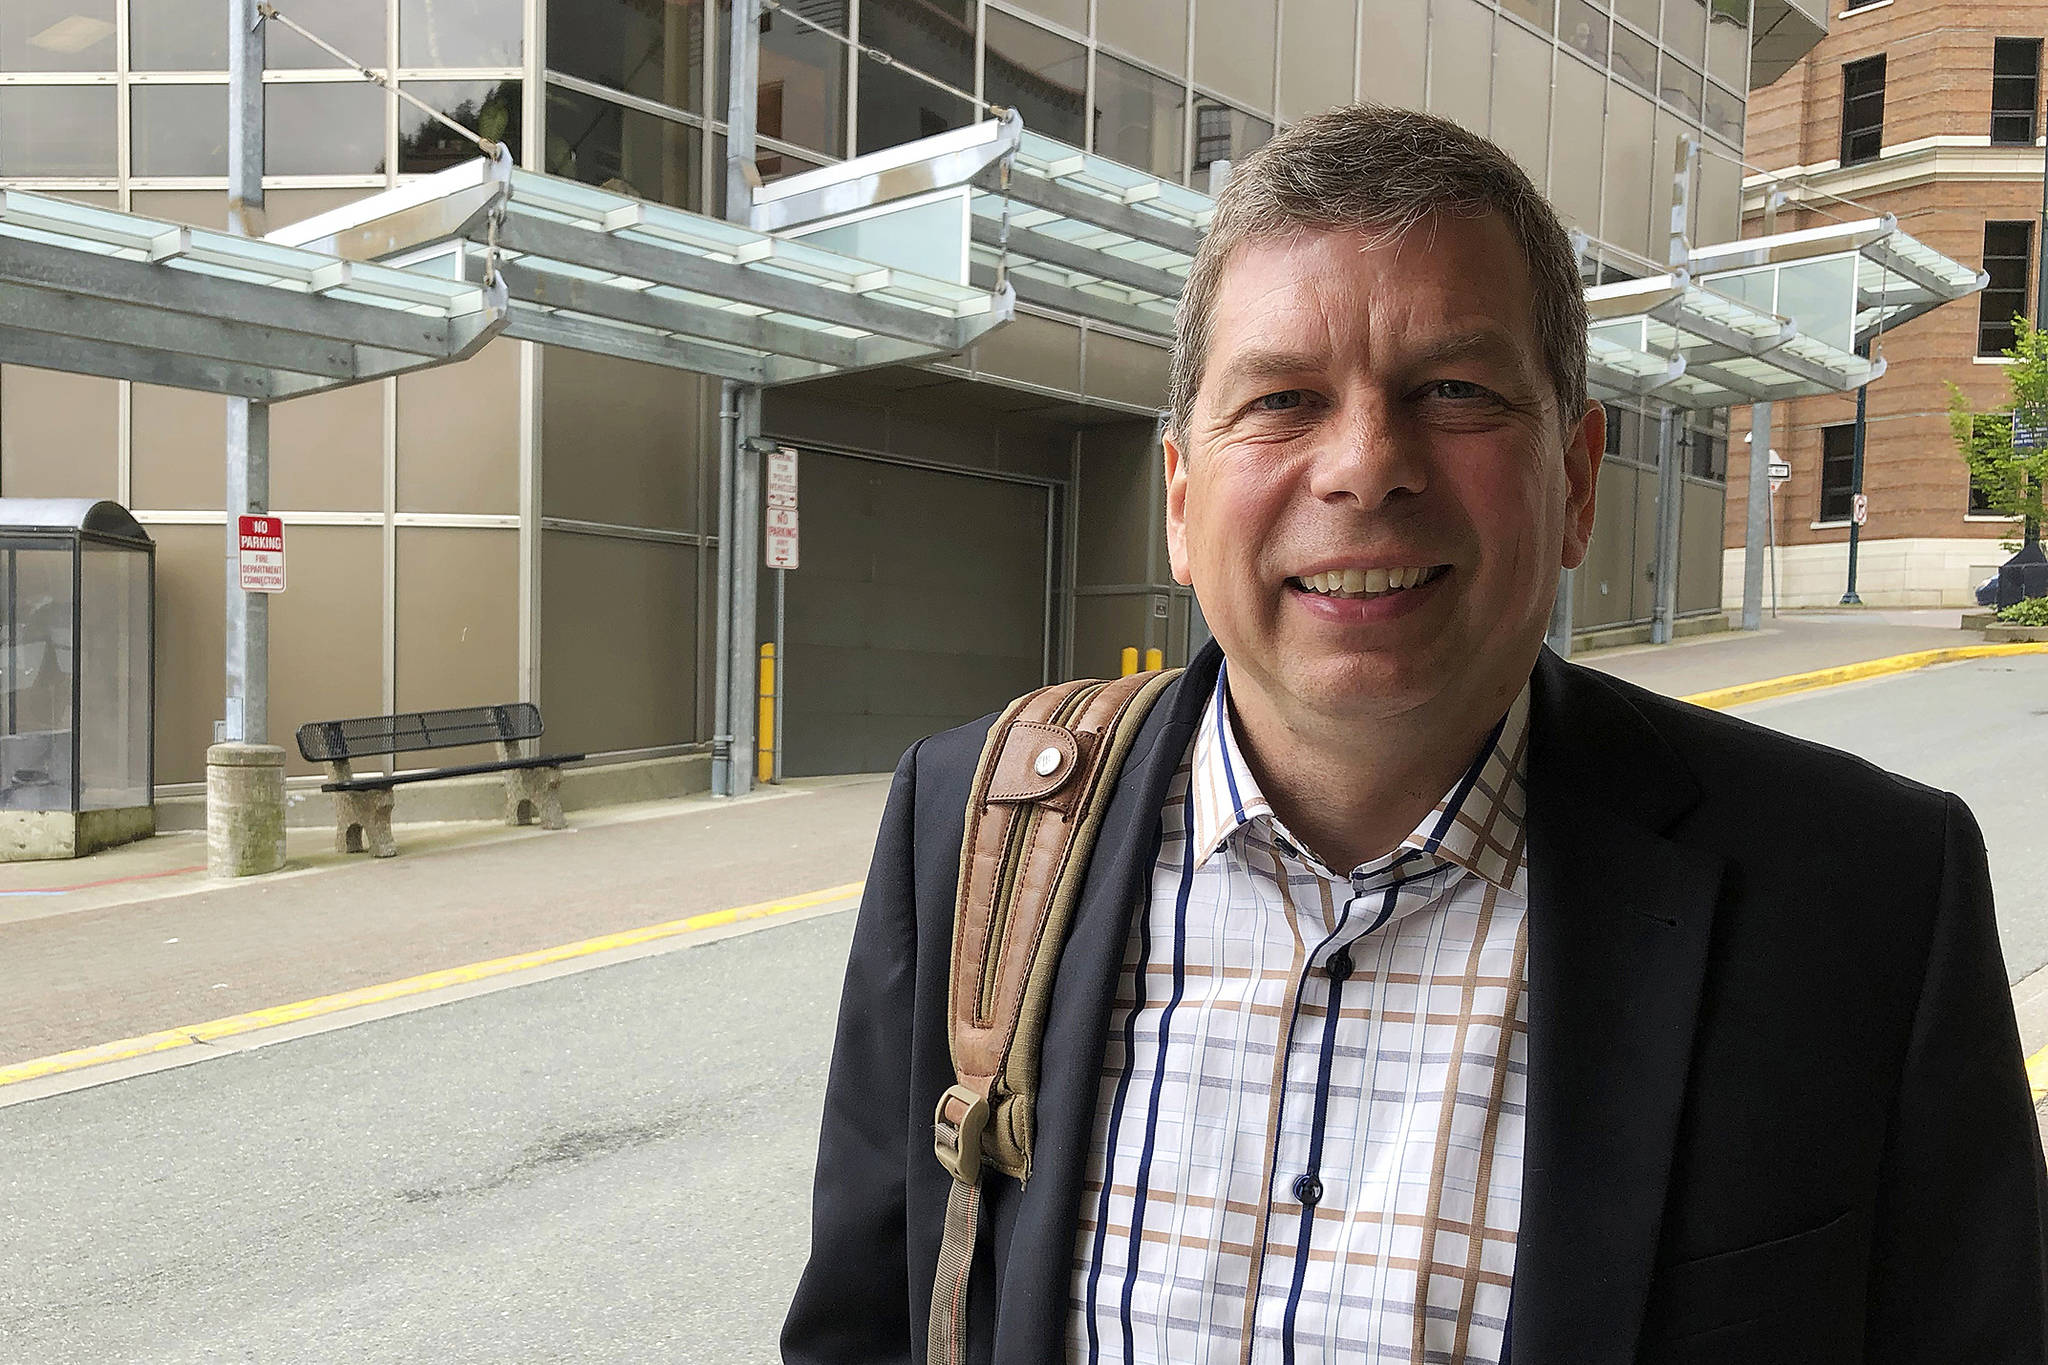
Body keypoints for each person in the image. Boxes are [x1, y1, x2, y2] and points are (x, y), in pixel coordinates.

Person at [782, 103, 2048, 1364]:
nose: (1363, 467)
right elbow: (866, 1332)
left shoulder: (1865, 893)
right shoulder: (978, 824)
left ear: (1574, 480)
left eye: (1452, 391)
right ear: (1179, 498)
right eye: (1280, 398)